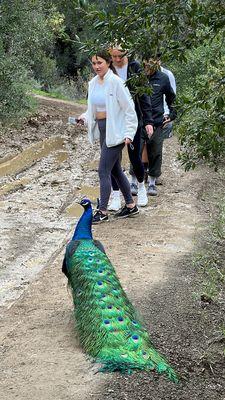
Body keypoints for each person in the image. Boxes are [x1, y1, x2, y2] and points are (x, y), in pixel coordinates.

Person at [78, 49, 139, 224]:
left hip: (116, 132)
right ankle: (130, 206)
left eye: (100, 63)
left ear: (108, 63)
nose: (97, 67)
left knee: (103, 170)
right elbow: (93, 109)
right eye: (94, 63)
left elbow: (129, 109)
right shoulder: (93, 83)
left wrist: (129, 133)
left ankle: (102, 211)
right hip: (103, 130)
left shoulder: (116, 83)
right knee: (115, 170)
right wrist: (84, 117)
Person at [108, 46, 153, 210]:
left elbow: (144, 94)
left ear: (126, 54)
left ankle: (141, 187)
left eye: (120, 56)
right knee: (113, 160)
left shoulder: (135, 68)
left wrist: (148, 120)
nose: (117, 60)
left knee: (135, 157)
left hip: (133, 119)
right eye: (114, 56)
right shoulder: (108, 68)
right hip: (113, 121)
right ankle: (115, 194)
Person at [130, 58, 176, 196]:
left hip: (157, 121)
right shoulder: (136, 77)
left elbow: (171, 98)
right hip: (139, 120)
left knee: (155, 152)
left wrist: (172, 115)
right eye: (147, 62)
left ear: (158, 62)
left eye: (153, 62)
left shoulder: (163, 78)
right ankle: (133, 181)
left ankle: (151, 183)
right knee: (136, 151)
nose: (149, 65)